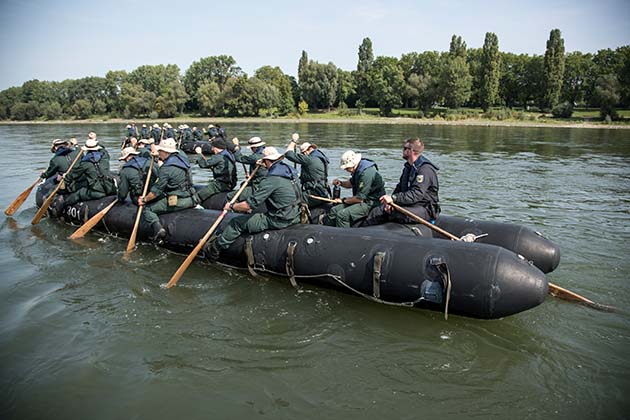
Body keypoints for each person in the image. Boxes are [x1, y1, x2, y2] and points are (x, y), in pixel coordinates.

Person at [207, 147, 303, 261]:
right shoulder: (291, 173)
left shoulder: (271, 180)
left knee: (236, 223)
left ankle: (215, 249)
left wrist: (231, 206)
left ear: (267, 160)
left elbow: (249, 205)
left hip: (279, 220)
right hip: (296, 215)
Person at [365, 138, 440, 225]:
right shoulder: (408, 167)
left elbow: (416, 194)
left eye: (404, 148)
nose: (402, 151)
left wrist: (394, 198)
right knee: (378, 211)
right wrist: (391, 202)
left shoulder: (424, 170)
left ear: (411, 151)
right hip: (411, 204)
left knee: (397, 214)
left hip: (424, 208)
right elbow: (400, 187)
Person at [137, 138, 198, 242]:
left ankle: (158, 229)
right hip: (192, 198)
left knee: (148, 209)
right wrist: (157, 156)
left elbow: (156, 192)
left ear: (166, 152)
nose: (158, 153)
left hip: (179, 201)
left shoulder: (166, 169)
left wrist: (144, 200)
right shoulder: (183, 159)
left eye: (160, 151)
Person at [323, 150, 385, 228]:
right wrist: (341, 183)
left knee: (342, 215)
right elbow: (351, 183)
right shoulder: (358, 169)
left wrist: (343, 200)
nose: (346, 170)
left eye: (347, 168)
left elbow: (359, 199)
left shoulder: (366, 173)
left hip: (371, 203)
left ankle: (343, 237)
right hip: (363, 200)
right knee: (334, 210)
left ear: (352, 165)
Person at [63, 135, 117, 206]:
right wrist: (94, 139)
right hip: (111, 189)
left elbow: (73, 175)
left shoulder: (84, 163)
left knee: (78, 194)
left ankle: (62, 207)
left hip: (98, 192)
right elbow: (103, 150)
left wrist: (65, 177)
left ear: (87, 150)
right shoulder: (105, 157)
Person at [284, 136, 331, 208]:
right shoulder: (320, 157)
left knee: (291, 202)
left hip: (315, 192)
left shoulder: (309, 159)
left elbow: (288, 154)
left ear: (306, 151)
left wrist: (294, 141)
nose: (302, 155)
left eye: (302, 153)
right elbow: (313, 173)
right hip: (323, 190)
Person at [195, 137, 237, 202]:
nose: (212, 149)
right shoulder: (229, 154)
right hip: (232, 183)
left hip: (221, 184)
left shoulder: (218, 157)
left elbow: (203, 164)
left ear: (215, 148)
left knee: (200, 195)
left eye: (212, 147)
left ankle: (195, 204)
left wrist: (199, 153)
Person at [227, 136, 268, 201]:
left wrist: (236, 147)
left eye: (252, 148)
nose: (251, 150)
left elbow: (239, 158)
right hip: (264, 182)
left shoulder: (255, 157)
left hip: (258, 186)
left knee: (229, 196)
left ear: (255, 147)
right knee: (243, 184)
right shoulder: (267, 153)